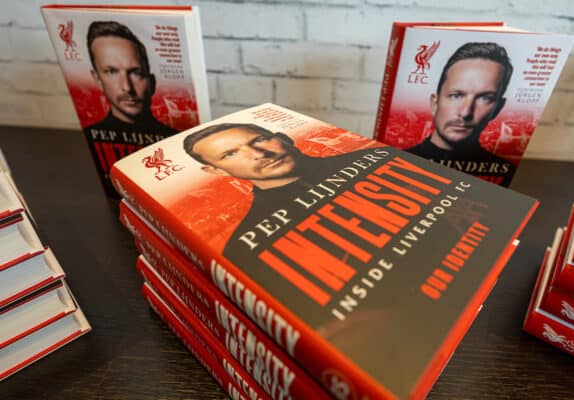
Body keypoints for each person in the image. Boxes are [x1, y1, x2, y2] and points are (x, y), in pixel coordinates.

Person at [183, 123, 388, 260]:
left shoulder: (379, 158)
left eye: (259, 140)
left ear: (284, 139)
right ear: (216, 171)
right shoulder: (249, 245)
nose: (259, 154)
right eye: (229, 154)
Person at [405, 42, 516, 185]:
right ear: (434, 103)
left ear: (498, 108)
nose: (465, 113)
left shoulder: (505, 174)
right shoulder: (397, 163)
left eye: (485, 98)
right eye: (456, 96)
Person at [85, 21, 177, 138]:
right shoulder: (90, 135)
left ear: (152, 82)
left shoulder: (175, 139)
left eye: (136, 73)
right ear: (97, 80)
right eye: (112, 72)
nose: (127, 87)